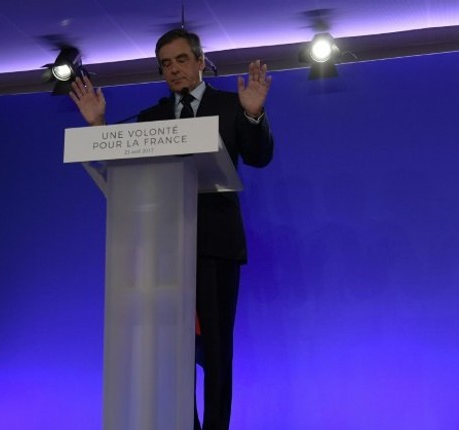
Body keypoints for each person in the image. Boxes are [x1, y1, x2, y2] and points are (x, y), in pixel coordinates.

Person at [69, 28, 273, 430]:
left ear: (200, 61)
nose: (174, 70)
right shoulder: (151, 118)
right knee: (171, 351)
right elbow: (124, 169)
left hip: (215, 245)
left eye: (181, 60)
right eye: (166, 64)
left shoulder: (232, 105)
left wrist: (253, 115)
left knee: (215, 353)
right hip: (163, 249)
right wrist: (98, 126)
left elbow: (260, 156)